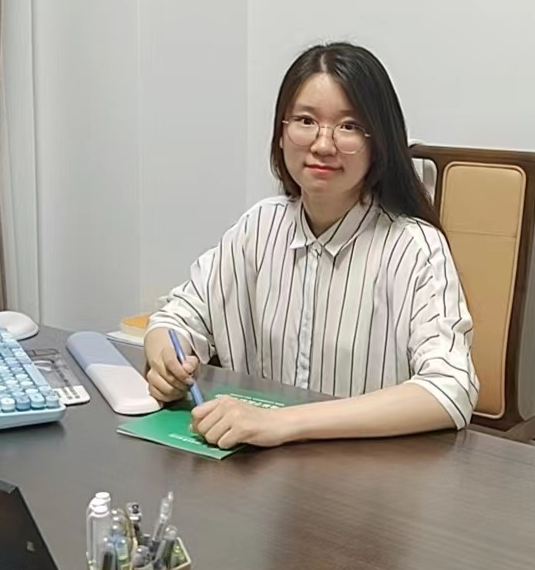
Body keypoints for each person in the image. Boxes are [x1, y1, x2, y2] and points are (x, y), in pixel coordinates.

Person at [144, 42, 478, 449]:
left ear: (379, 143)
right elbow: (177, 317)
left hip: (366, 475)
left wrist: (282, 424)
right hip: (255, 471)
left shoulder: (414, 248)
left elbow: (450, 389)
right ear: (281, 133)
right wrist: (167, 359)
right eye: (305, 121)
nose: (322, 144)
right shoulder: (259, 227)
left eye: (348, 126)